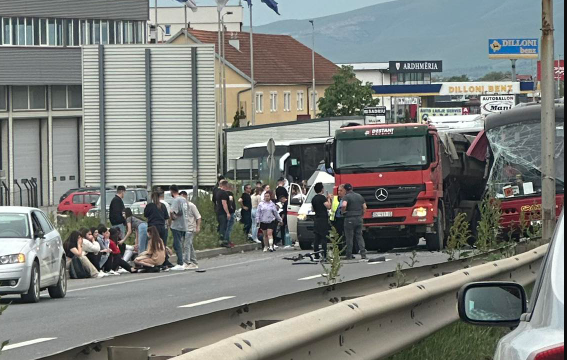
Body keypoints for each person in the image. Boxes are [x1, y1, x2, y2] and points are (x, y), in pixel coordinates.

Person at [144, 191, 173, 269]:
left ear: (152, 198)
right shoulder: (162, 206)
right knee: (162, 245)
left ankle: (155, 260)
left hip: (153, 228)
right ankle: (164, 261)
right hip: (161, 227)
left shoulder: (149, 206)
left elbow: (145, 215)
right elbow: (166, 217)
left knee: (154, 245)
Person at [341, 184, 368, 260]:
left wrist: (343, 212)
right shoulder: (359, 196)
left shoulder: (346, 197)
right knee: (359, 236)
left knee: (349, 237)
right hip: (359, 218)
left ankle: (349, 255)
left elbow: (343, 205)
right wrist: (362, 214)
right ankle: (363, 254)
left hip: (349, 218)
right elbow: (365, 207)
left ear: (345, 190)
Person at [180, 191, 202, 270]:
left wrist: (198, 227)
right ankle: (194, 262)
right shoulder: (181, 207)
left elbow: (198, 217)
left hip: (190, 228)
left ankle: (187, 262)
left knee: (186, 245)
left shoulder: (191, 205)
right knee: (189, 245)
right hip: (184, 229)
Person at [169, 185, 188, 271]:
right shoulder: (184, 199)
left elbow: (173, 212)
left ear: (171, 191)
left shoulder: (176, 200)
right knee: (183, 244)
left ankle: (180, 262)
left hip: (177, 225)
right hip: (184, 224)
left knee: (177, 244)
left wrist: (172, 217)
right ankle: (185, 261)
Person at [311, 183, 332, 261]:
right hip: (323, 219)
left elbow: (313, 209)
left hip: (316, 218)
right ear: (321, 189)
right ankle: (325, 254)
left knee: (317, 237)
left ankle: (316, 254)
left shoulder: (314, 198)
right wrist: (329, 198)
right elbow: (329, 206)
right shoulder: (322, 198)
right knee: (324, 237)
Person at [216, 180, 233, 248]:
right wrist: (228, 213)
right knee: (224, 227)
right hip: (223, 213)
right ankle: (223, 242)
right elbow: (224, 203)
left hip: (218, 212)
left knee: (221, 227)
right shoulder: (224, 193)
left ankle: (221, 240)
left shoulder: (218, 192)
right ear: (225, 185)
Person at [275, 178, 290, 246]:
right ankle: (285, 241)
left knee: (282, 228)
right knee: (284, 228)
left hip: (282, 215)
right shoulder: (283, 189)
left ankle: (284, 241)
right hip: (284, 216)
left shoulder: (277, 189)